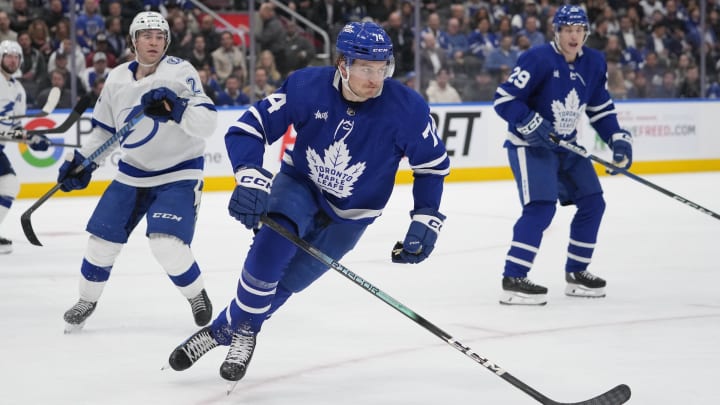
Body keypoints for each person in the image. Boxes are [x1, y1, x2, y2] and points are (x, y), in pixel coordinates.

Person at [167, 21, 450, 384]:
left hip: (353, 215)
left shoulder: (407, 108)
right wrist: (250, 176)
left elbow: (432, 166)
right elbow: (248, 128)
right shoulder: (306, 86)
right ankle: (247, 333)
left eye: (382, 69)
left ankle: (226, 329)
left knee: (289, 282)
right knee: (274, 241)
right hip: (302, 184)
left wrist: (426, 217)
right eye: (366, 68)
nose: (375, 79)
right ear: (342, 64)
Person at [58, 11, 218, 332]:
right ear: (133, 41)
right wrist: (82, 162)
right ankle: (86, 300)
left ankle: (196, 295)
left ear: (167, 42)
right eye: (147, 36)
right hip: (133, 172)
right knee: (100, 241)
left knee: (166, 243)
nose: (154, 42)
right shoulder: (117, 78)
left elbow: (208, 123)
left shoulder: (180, 72)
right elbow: (104, 132)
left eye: (160, 37)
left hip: (179, 172)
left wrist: (178, 109)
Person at [492, 5, 633, 305]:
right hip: (530, 146)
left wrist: (618, 139)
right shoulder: (537, 58)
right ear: (556, 32)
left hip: (567, 146)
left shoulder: (594, 62)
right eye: (567, 30)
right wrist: (530, 121)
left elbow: (600, 108)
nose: (574, 36)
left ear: (586, 33)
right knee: (541, 207)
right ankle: (513, 277)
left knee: (593, 202)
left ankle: (577, 272)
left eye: (579, 30)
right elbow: (503, 99)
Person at [0, 39, 49, 253]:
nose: (12, 60)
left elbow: (14, 127)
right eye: (8, 55)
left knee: (9, 185)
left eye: (16, 56)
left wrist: (31, 139)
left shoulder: (18, 89)